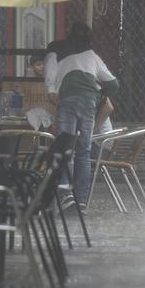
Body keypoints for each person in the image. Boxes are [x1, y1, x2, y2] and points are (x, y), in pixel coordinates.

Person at [47, 22, 118, 207]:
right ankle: (82, 200)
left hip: (68, 99)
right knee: (84, 151)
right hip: (88, 102)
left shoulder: (57, 51)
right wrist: (97, 94)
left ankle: (65, 195)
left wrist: (52, 88)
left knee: (65, 149)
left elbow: (51, 78)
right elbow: (114, 84)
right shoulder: (92, 56)